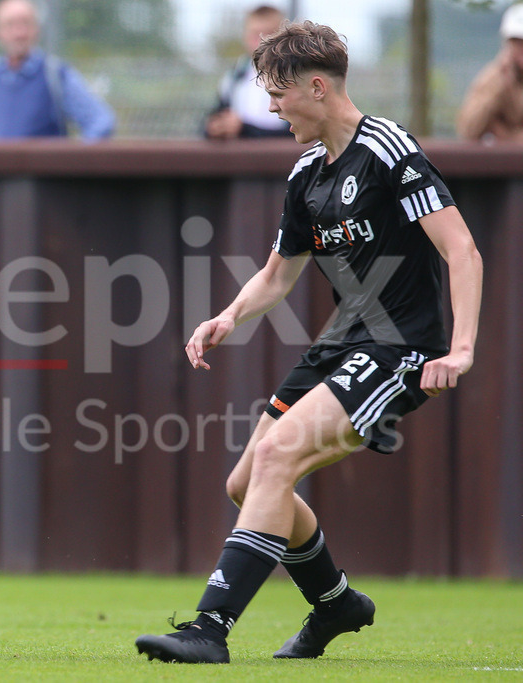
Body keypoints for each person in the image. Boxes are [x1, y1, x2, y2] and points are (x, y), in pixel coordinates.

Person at [136, 21, 482, 665]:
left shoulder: (387, 148)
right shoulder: (305, 171)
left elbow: (461, 248)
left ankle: (209, 630)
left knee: (276, 462)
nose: (270, 107)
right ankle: (335, 603)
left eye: (277, 93)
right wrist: (229, 317)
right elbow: (277, 274)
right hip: (342, 344)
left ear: (316, 87)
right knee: (246, 481)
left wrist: (458, 349)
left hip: (399, 347)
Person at [0, 0, 115, 141]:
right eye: (10, 25)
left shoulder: (56, 75)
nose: (19, 33)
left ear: (37, 29)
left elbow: (100, 122)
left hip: (42, 178)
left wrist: (74, 165)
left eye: (26, 23)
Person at [204, 4, 291, 140]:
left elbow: (295, 135)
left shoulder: (295, 78)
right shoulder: (235, 77)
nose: (262, 41)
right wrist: (215, 127)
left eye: (269, 34)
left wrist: (244, 129)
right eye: (256, 35)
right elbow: (212, 121)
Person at [456, 3, 523, 142]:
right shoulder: (493, 79)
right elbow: (469, 129)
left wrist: (506, 134)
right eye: (517, 42)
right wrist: (498, 85)